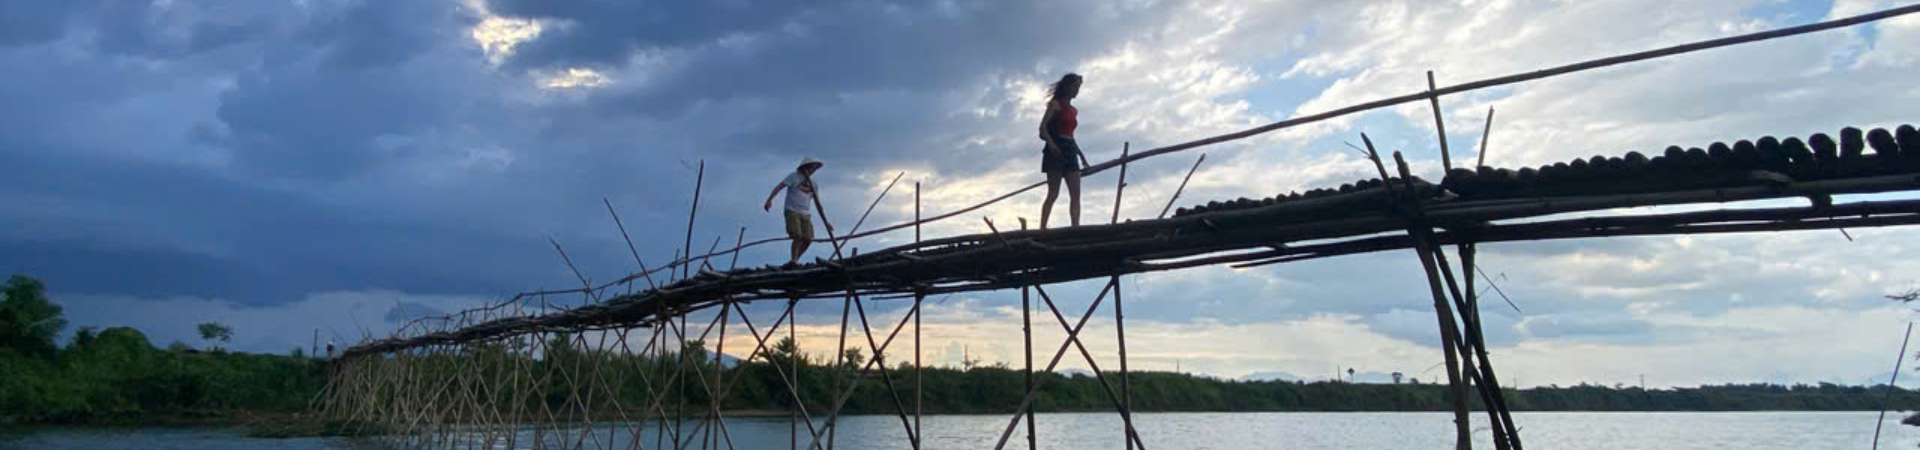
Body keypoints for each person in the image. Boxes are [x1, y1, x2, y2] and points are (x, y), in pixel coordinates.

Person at [1038, 73, 1087, 229]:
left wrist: (1083, 158)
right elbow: (1042, 129)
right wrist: (1051, 144)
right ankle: (1042, 229)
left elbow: (1071, 136)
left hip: (1070, 150)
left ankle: (1075, 228)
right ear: (1066, 87)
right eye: (1074, 86)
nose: (1076, 90)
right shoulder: (1055, 105)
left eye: (1078, 87)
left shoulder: (1074, 111)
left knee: (1076, 193)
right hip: (1055, 150)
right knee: (1053, 193)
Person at [764, 158, 830, 266]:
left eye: (814, 168)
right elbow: (779, 187)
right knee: (797, 236)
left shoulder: (813, 183)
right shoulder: (794, 176)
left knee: (808, 239)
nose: (812, 170)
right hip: (792, 210)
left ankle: (794, 261)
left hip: (805, 213)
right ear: (804, 167)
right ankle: (794, 260)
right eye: (810, 167)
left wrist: (826, 222)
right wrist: (769, 200)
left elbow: (818, 204)